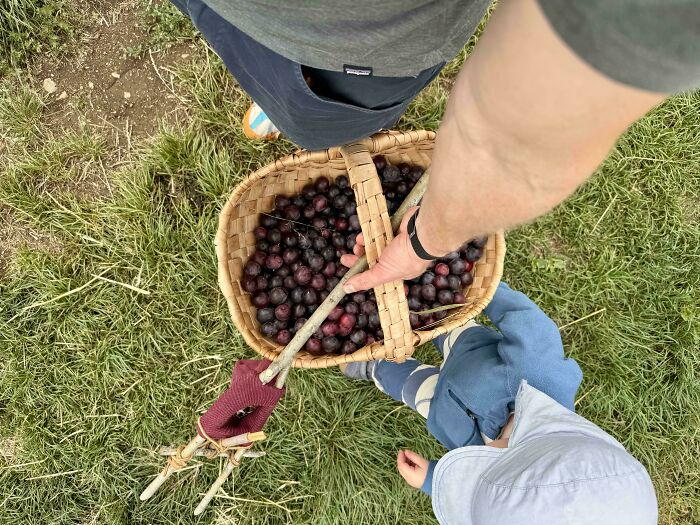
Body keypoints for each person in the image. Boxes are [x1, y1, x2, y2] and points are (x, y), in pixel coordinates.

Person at [170, 0, 700, 292]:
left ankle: (302, 99)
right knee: (260, 61)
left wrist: (426, 240)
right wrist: (426, 241)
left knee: (313, 115)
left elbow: (519, 139)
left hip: (351, 47)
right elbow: (513, 151)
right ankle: (292, 93)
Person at [341, 282, 658, 524]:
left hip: (447, 415)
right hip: (469, 350)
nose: (473, 467)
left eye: (474, 476)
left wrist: (433, 479)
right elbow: (524, 318)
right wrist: (475, 290)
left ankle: (377, 367)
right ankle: (428, 303)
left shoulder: (502, 491)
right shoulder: (536, 368)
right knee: (446, 320)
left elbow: (476, 491)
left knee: (413, 389)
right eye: (483, 468)